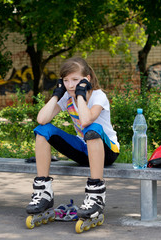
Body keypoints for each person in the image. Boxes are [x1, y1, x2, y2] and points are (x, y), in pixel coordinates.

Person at [26, 57, 120, 220]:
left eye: (75, 80)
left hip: (107, 151)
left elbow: (86, 121)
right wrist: (56, 95)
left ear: (87, 79)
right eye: (66, 80)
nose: (70, 85)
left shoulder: (99, 96)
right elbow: (41, 119)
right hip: (83, 150)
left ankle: (96, 195)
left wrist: (81, 95)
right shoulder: (66, 97)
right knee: (43, 129)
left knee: (92, 128)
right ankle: (43, 192)